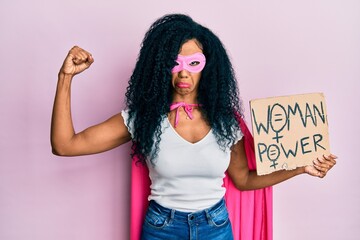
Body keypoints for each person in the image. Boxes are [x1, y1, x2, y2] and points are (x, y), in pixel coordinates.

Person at [51, 14, 337, 240]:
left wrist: (301, 167)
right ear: (161, 67)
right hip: (161, 228)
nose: (184, 71)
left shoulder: (226, 122)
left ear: (208, 67)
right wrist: (65, 78)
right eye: (175, 62)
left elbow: (244, 180)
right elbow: (65, 145)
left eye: (194, 62)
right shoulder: (143, 119)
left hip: (216, 227)